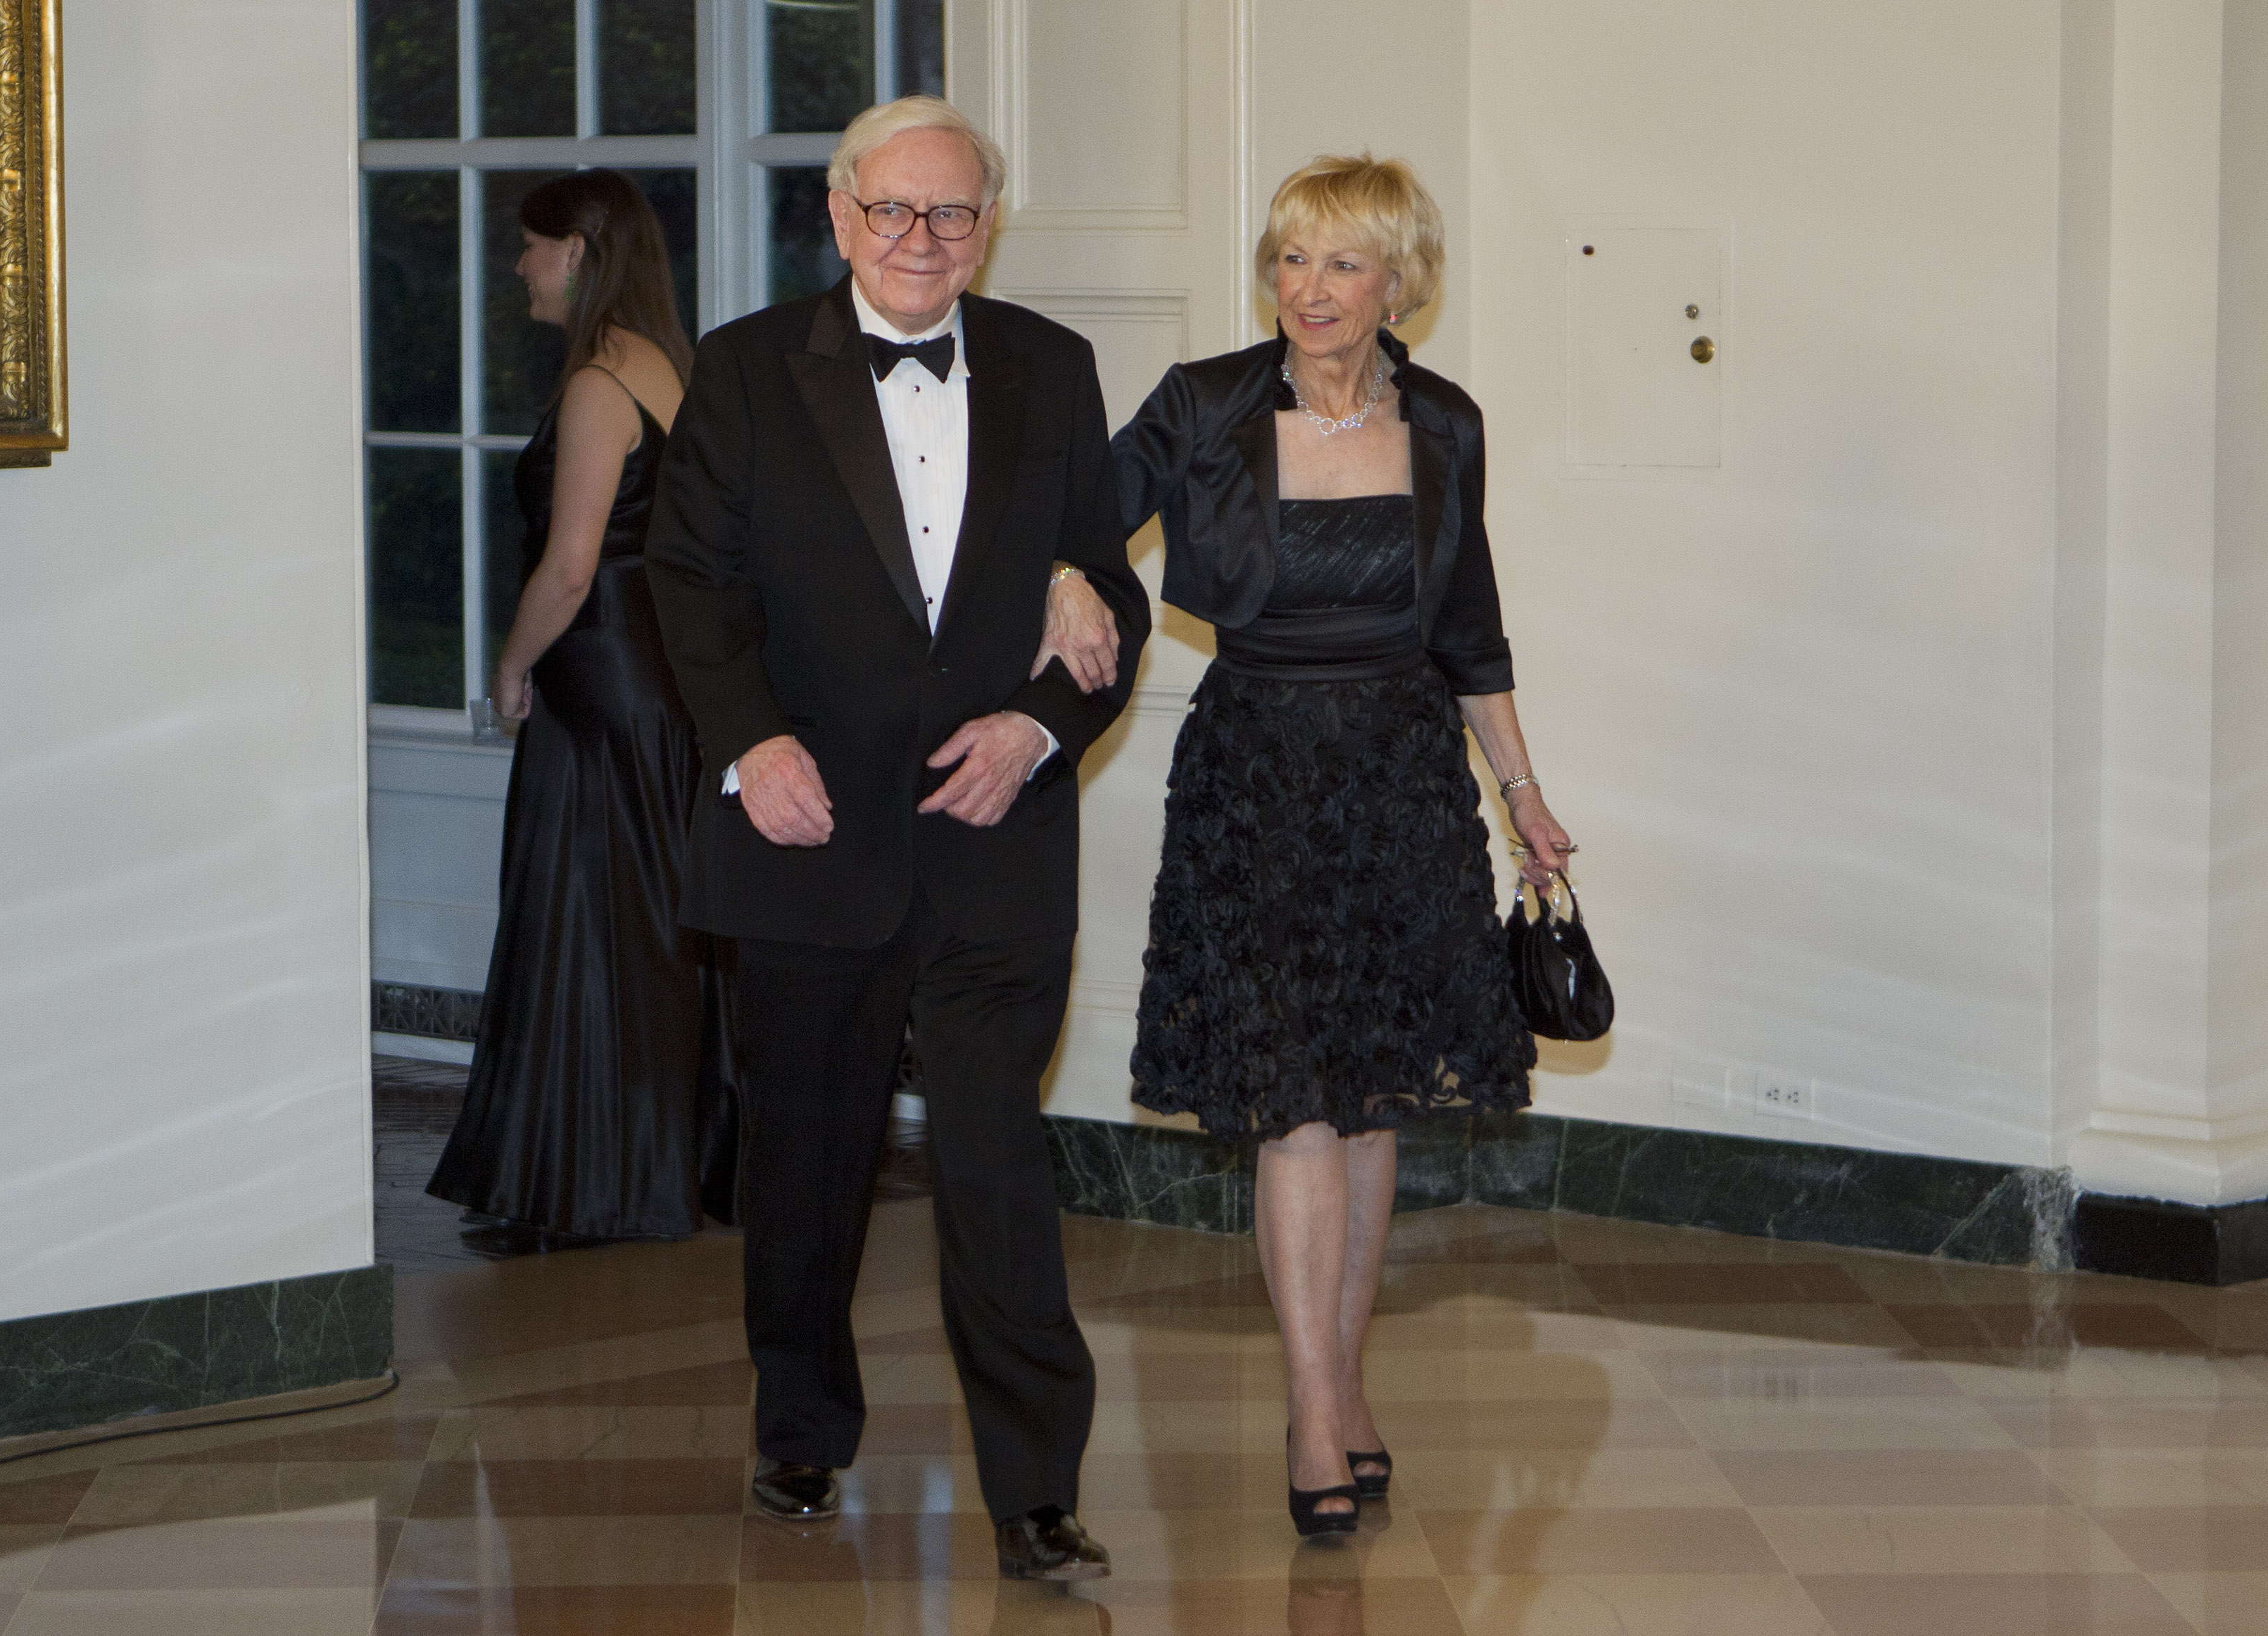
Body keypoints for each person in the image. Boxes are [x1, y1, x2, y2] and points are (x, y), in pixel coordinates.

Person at [643, 96, 1149, 1581]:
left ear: (989, 226)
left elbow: (1108, 599)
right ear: (839, 214)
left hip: (996, 845)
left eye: (953, 216)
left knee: (997, 1176)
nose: (922, 243)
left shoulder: (1053, 370)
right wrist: (749, 742)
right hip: (811, 833)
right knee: (806, 1167)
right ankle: (799, 1427)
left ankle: (1036, 1491)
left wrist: (1039, 724)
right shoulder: (741, 373)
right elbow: (687, 584)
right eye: (892, 213)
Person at [1090, 153, 1575, 1534]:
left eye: (1342, 263)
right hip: (1258, 783)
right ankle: (1312, 1409)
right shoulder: (1204, 404)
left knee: (1371, 1111)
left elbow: (1469, 624)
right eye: (1291, 259)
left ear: (1397, 281)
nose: (1309, 289)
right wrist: (1070, 583)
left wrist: (1522, 794)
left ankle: (1343, 1381)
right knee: (1298, 1108)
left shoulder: (1447, 425)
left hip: (1405, 784)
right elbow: (1073, 511)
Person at [427, 170, 741, 1242]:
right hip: (659, 685)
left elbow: (568, 568)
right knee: (652, 931)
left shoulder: (601, 382)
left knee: (590, 929)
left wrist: (511, 667)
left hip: (600, 683)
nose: (519, 266)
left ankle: (596, 1177)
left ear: (576, 252)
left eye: (530, 245)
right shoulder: (670, 367)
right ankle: (663, 1163)